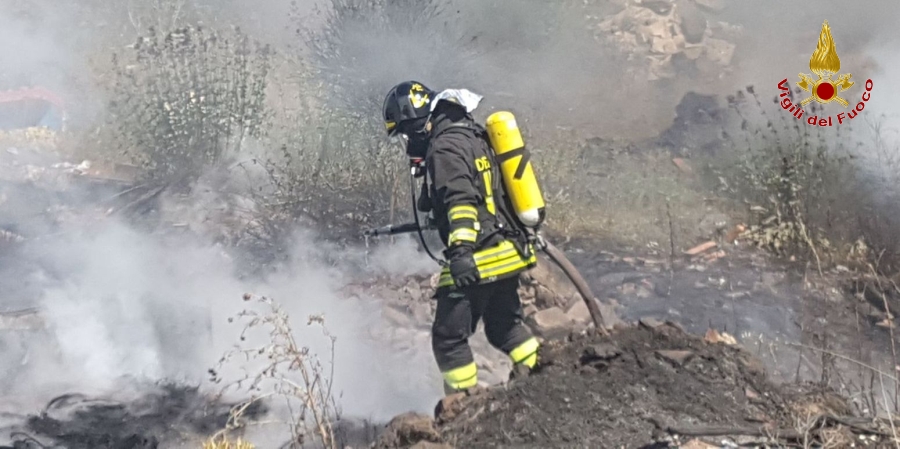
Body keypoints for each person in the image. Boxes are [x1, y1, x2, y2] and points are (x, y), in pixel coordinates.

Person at [381, 81, 540, 394]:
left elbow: (462, 202)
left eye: (404, 133)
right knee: (504, 327)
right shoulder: (469, 135)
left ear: (416, 125)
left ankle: (462, 409)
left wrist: (462, 253)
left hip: (479, 255)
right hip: (507, 249)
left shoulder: (444, 148)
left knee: (449, 338)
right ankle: (538, 378)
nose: (406, 142)